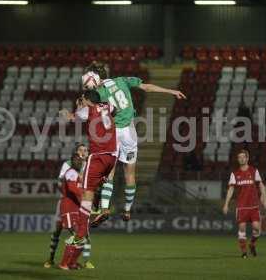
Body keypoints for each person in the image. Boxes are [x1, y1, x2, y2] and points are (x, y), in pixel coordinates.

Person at [85, 62, 186, 225]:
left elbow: (88, 108)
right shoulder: (122, 80)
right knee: (130, 174)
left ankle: (104, 208)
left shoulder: (97, 92)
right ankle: (127, 209)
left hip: (114, 133)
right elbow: (146, 87)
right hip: (129, 132)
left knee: (108, 173)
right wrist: (170, 91)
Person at [59, 89, 118, 269]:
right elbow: (114, 110)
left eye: (83, 99)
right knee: (97, 187)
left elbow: (70, 118)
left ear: (87, 100)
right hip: (112, 156)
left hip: (98, 156)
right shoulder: (109, 105)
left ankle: (83, 227)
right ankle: (100, 209)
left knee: (86, 194)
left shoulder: (87, 110)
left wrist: (67, 111)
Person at [44, 144, 94, 269]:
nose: (83, 152)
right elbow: (63, 183)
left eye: (85, 150)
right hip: (67, 203)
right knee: (58, 231)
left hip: (78, 203)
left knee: (84, 233)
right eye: (80, 150)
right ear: (76, 152)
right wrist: (76, 196)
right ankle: (51, 259)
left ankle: (83, 261)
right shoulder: (69, 165)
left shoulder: (89, 165)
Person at [223, 149, 266, 258]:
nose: (241, 159)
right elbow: (231, 189)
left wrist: (265, 199)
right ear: (238, 159)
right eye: (239, 157)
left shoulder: (254, 171)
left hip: (254, 206)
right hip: (242, 206)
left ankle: (252, 244)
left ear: (247, 158)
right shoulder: (235, 174)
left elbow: (261, 185)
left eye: (243, 157)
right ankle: (244, 252)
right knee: (242, 228)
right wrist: (226, 204)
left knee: (257, 228)